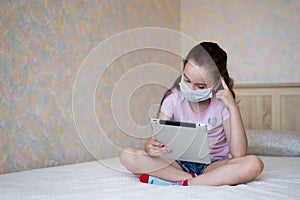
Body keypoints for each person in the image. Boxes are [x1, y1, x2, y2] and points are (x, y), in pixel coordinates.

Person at [120, 42, 264, 186]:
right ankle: (192, 180)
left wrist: (233, 107)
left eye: (200, 86)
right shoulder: (173, 99)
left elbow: (239, 154)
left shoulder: (222, 104)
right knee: (128, 155)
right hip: (177, 162)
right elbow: (157, 140)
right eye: (187, 80)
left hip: (212, 166)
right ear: (183, 68)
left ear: (217, 82)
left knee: (254, 164)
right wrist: (150, 146)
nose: (191, 89)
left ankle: (182, 181)